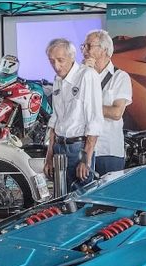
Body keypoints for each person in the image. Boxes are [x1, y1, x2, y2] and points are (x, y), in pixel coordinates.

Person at [43, 38, 102, 189]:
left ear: (72, 57)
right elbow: (55, 119)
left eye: (60, 60)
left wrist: (85, 159)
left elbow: (94, 121)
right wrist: (49, 155)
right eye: (51, 61)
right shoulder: (57, 79)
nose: (56, 66)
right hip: (59, 148)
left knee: (80, 196)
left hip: (78, 148)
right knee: (61, 196)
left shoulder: (87, 75)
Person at [82, 30, 132, 175]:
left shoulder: (120, 77)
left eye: (89, 46)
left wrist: (89, 107)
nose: (84, 51)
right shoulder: (81, 74)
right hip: (82, 149)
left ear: (104, 50)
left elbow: (116, 113)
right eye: (83, 46)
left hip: (107, 150)